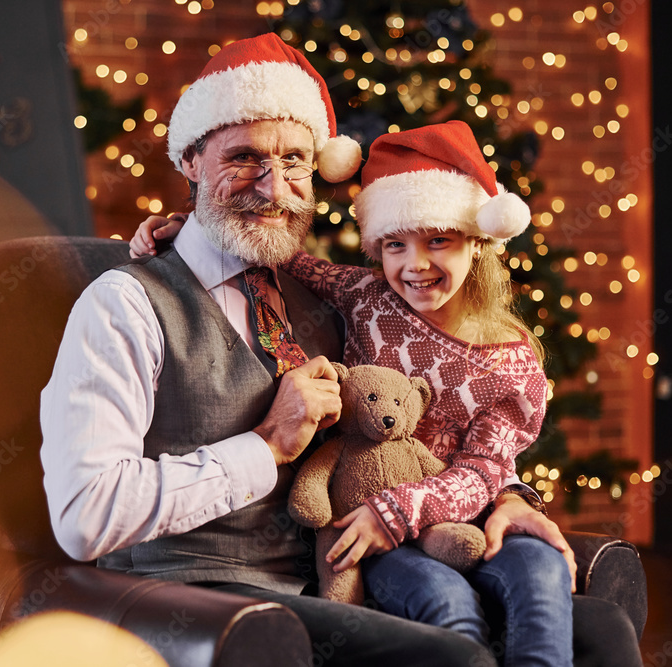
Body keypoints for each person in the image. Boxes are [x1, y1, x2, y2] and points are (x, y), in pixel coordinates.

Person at [43, 33, 637, 666]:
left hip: (344, 574)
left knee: (599, 630)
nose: (273, 188)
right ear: (191, 161)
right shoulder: (125, 303)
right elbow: (85, 516)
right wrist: (267, 443)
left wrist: (515, 497)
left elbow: (431, 427)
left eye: (296, 160)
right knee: (453, 657)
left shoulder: (332, 298)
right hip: (208, 599)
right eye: (243, 157)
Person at [130, 120, 576, 665]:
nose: (415, 265)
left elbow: (484, 468)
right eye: (395, 245)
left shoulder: (511, 361)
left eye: (439, 239)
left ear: (478, 243)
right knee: (445, 601)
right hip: (364, 519)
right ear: (377, 248)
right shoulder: (367, 297)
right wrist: (192, 228)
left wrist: (406, 508)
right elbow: (277, 250)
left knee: (543, 571)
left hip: (453, 515)